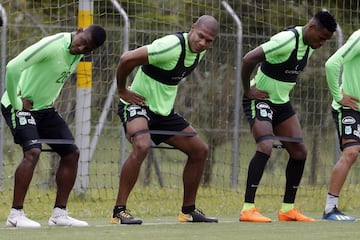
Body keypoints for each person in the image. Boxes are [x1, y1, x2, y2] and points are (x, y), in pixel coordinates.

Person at [110, 15, 219, 224]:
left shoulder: (199, 53)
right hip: (137, 105)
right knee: (142, 146)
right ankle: (119, 211)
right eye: (201, 36)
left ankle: (188, 212)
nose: (203, 43)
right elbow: (126, 59)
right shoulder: (169, 46)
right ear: (192, 27)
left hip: (163, 114)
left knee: (200, 150)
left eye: (209, 41)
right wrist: (122, 89)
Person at [1, 24, 106, 227]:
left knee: (71, 153)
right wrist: (16, 102)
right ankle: (15, 215)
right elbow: (12, 67)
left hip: (44, 109)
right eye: (82, 42)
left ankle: (59, 214)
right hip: (18, 105)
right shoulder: (53, 45)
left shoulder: (77, 54)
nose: (81, 49)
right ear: (79, 30)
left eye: (88, 49)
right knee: (33, 151)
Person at [240, 10, 337, 222]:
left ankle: (287, 209)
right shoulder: (285, 40)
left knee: (299, 152)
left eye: (326, 41)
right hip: (260, 99)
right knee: (265, 146)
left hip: (281, 103)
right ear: (312, 28)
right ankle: (248, 209)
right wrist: (248, 90)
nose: (322, 44)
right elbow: (248, 59)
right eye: (322, 38)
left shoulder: (309, 45)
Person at [322, 29, 360, 222]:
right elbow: (331, 64)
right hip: (350, 108)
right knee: (352, 151)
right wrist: (338, 96)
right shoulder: (359, 37)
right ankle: (330, 209)